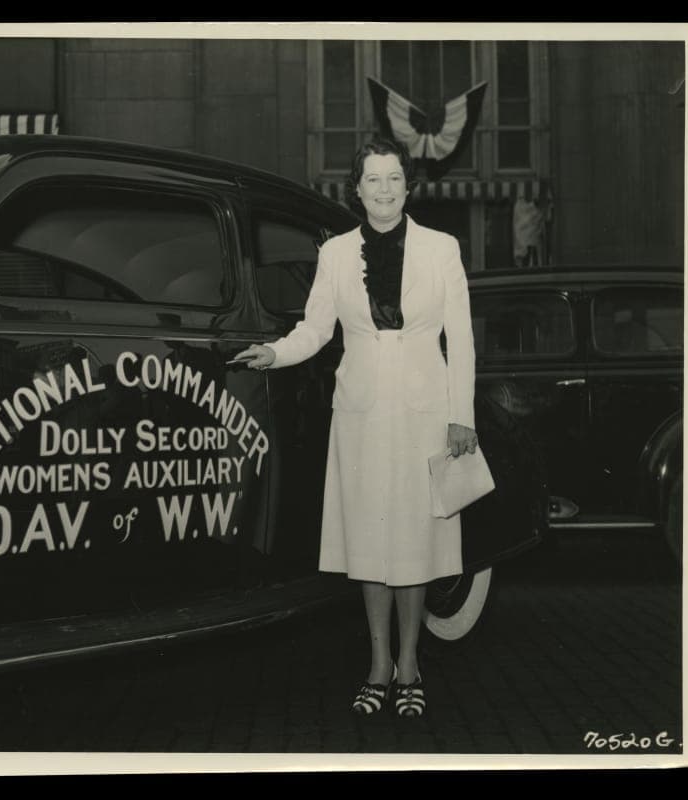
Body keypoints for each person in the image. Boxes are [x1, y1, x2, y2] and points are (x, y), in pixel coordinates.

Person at [233, 136, 478, 717]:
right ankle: (378, 664)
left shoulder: (442, 248)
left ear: (408, 186)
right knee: (370, 540)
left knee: (414, 542)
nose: (384, 190)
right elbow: (316, 330)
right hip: (362, 414)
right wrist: (274, 353)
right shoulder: (336, 253)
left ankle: (410, 664)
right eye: (373, 180)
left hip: (424, 413)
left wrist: (460, 417)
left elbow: (462, 339)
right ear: (357, 190)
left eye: (394, 178)